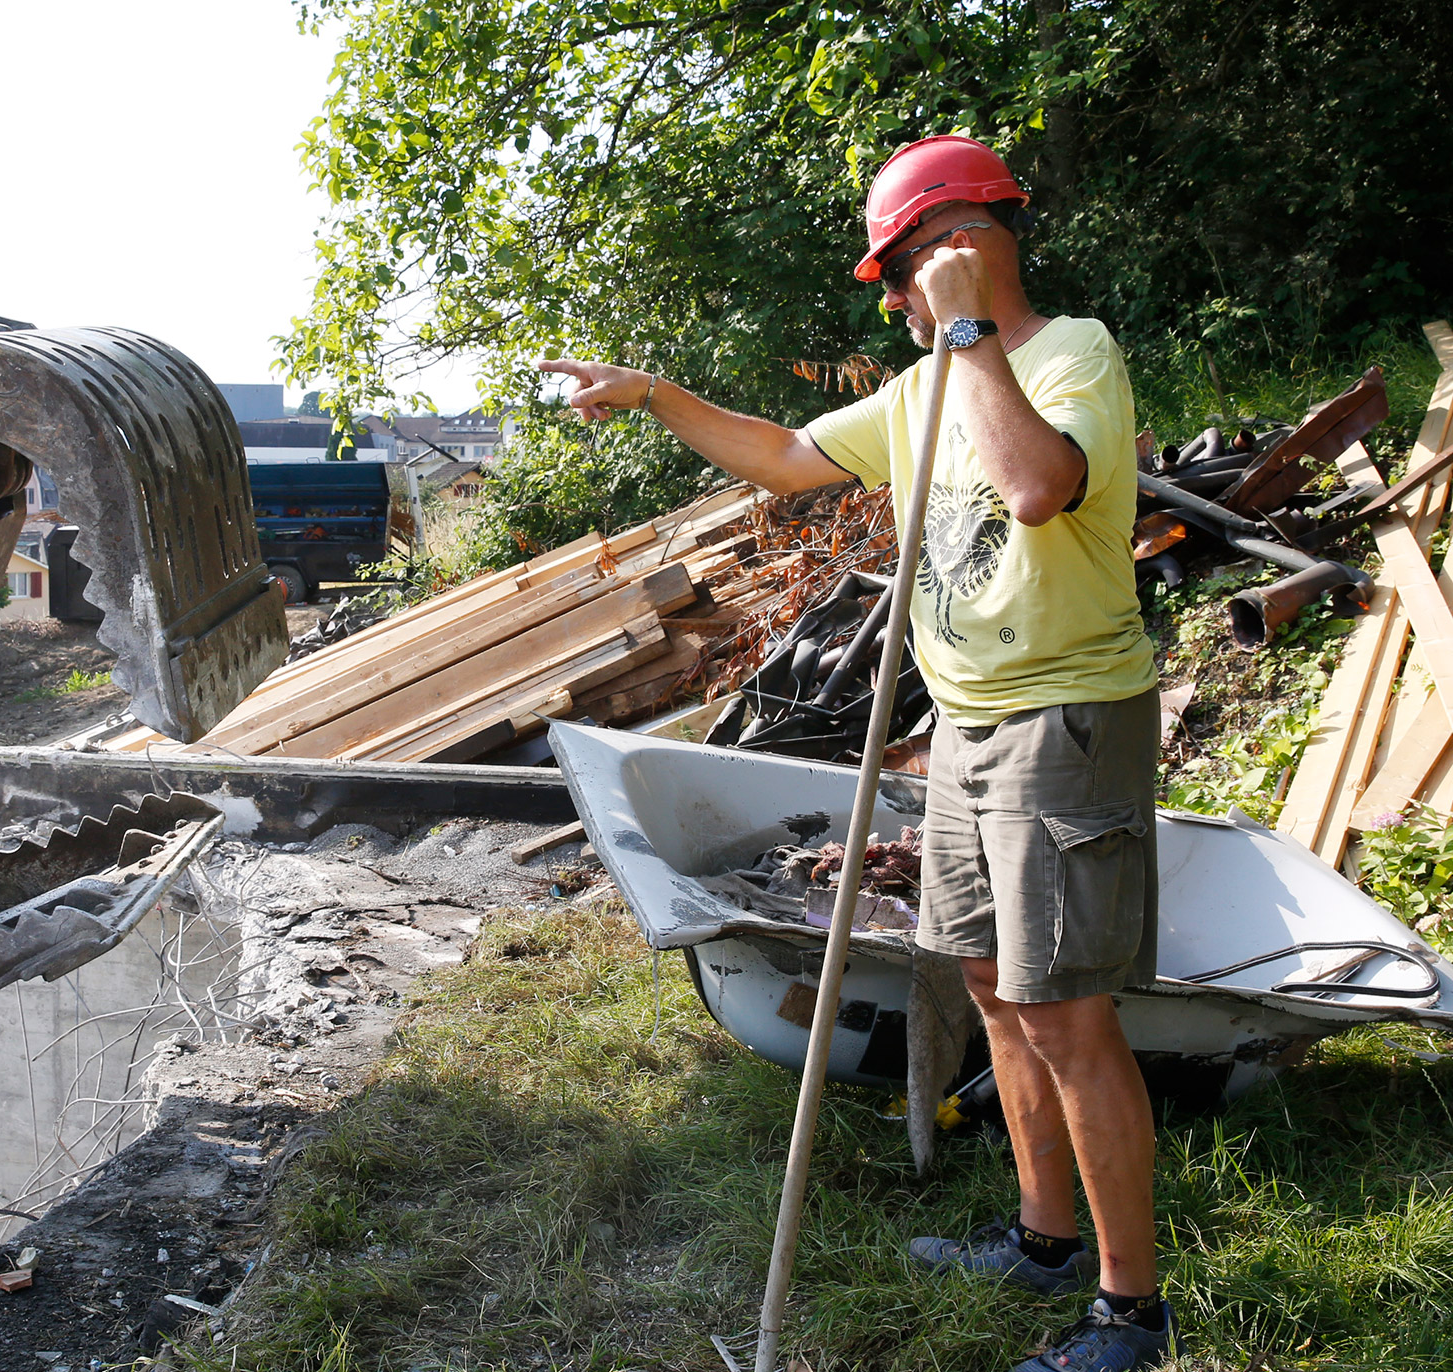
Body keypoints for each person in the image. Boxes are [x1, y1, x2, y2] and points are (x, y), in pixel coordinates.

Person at [537, 134, 1173, 1372]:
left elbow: (1039, 488)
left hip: (1064, 719)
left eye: (899, 272)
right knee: (991, 990)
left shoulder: (1065, 353)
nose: (890, 300)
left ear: (960, 247)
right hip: (965, 727)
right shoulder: (916, 392)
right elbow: (782, 458)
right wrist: (656, 395)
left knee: (1066, 1016)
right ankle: (1044, 1240)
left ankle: (1129, 1314)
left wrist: (968, 335)